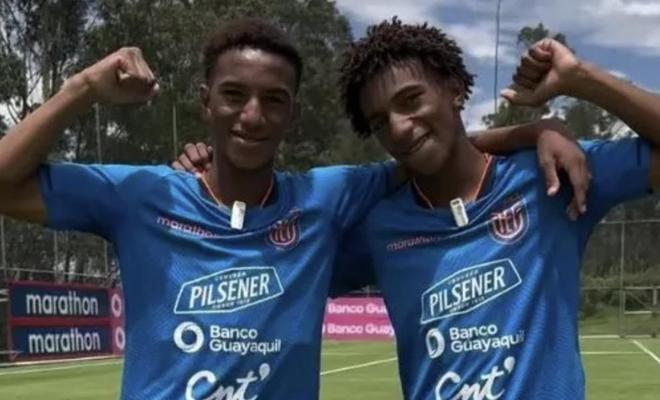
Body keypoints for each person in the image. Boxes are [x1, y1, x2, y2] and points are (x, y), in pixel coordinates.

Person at [0, 17, 588, 400]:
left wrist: (533, 130)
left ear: (293, 115)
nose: (252, 116)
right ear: (205, 103)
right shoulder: (141, 196)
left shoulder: (325, 198)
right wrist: (81, 89)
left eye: (273, 100)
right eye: (234, 95)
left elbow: (428, 147)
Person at [329, 19, 659, 400]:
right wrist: (529, 130)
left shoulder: (550, 174)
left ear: (454, 89)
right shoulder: (381, 227)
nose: (399, 128)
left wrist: (580, 79)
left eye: (411, 100)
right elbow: (293, 276)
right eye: (380, 122)